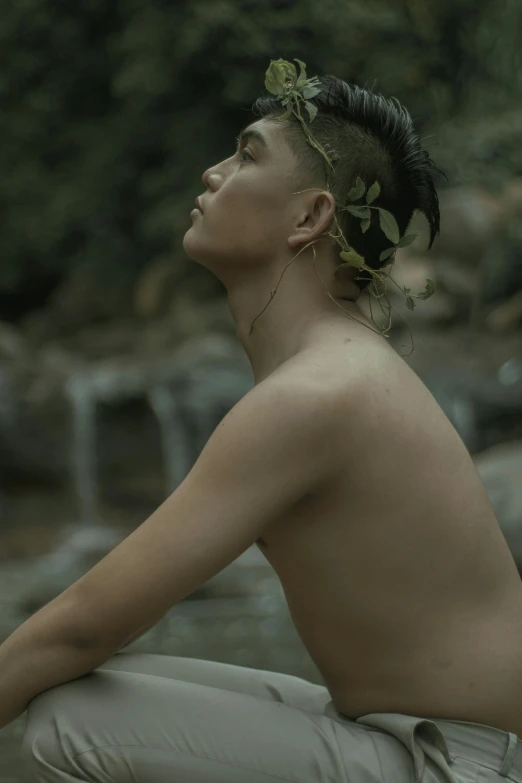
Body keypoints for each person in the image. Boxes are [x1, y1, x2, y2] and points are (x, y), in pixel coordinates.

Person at [3, 63, 522, 783]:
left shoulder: (317, 392)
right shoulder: (334, 370)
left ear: (309, 217)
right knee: (89, 688)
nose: (214, 173)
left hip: (457, 765)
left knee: (70, 724)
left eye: (245, 156)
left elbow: (91, 618)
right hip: (409, 737)